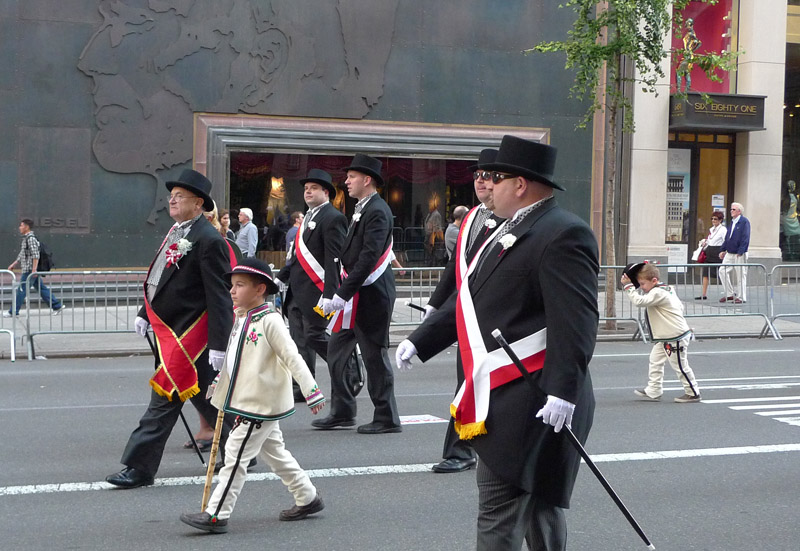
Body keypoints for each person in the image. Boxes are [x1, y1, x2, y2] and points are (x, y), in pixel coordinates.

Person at [396, 135, 598, 550]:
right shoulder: (506, 229)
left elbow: (575, 323)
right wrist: (421, 340)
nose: (487, 186)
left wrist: (563, 392)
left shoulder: (563, 233)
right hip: (507, 393)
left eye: (496, 178)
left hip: (533, 397)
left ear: (520, 185)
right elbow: (470, 299)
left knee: (500, 509)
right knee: (538, 508)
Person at [106, 169, 234, 489]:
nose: (172, 201)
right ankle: (242, 450)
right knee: (209, 400)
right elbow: (160, 280)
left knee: (163, 400)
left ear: (199, 203)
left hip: (192, 339)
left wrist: (219, 344)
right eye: (171, 196)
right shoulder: (177, 231)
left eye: (180, 196)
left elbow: (219, 297)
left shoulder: (209, 239)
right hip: (169, 332)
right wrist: (144, 313)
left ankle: (139, 468)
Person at [180, 257, 326, 534]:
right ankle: (308, 497)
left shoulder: (271, 321)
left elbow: (292, 356)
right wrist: (219, 387)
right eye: (232, 286)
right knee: (276, 454)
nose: (232, 291)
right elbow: (235, 362)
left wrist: (311, 391)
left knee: (234, 456)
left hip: (260, 404)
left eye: (240, 285)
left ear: (260, 289)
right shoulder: (242, 317)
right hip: (252, 400)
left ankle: (216, 514)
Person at [412, 149, 502, 475]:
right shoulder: (472, 217)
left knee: (478, 383)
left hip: (493, 320)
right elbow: (455, 267)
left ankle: (467, 449)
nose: (481, 181)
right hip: (465, 315)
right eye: (478, 175)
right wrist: (435, 304)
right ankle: (463, 449)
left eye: (489, 176)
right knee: (468, 381)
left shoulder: (510, 218)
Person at [315, 154, 402, 434]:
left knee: (374, 356)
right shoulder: (361, 208)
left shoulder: (377, 210)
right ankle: (342, 410)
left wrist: (342, 293)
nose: (347, 181)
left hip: (371, 295)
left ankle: (386, 417)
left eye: (352, 177)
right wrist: (338, 292)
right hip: (353, 295)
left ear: (367, 180)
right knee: (336, 351)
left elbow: (368, 257)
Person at [275, 169, 349, 401]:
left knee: (315, 335)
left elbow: (333, 259)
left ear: (326, 192)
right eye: (306, 188)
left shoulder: (333, 217)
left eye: (313, 188)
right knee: (299, 343)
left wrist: (330, 293)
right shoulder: (308, 217)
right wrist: (280, 277)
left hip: (317, 292)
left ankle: (348, 366)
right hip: (297, 291)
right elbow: (296, 255)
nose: (307, 192)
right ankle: (303, 388)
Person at [622, 262, 702, 404]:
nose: (641, 287)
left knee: (680, 365)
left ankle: (693, 392)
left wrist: (628, 286)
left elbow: (640, 301)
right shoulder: (666, 288)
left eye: (642, 283)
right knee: (655, 360)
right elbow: (679, 306)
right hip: (668, 335)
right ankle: (654, 390)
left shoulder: (658, 292)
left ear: (654, 281)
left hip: (674, 336)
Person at [5, 219, 66, 317]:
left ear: (26, 227)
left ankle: (13, 311)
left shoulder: (31, 239)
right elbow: (22, 254)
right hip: (29, 269)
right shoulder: (26, 239)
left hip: (30, 270)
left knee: (21, 290)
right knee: (41, 289)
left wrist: (34, 270)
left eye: (21, 225)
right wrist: (14, 263)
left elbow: (35, 255)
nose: (19, 228)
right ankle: (56, 305)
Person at [719, 202, 750, 304]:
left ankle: (741, 297)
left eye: (733, 209)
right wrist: (723, 249)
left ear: (739, 211)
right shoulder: (732, 222)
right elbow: (728, 237)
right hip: (730, 252)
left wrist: (741, 251)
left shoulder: (744, 222)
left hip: (739, 253)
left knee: (741, 275)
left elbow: (745, 237)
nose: (731, 211)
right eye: (731, 209)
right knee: (722, 271)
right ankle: (729, 294)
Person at [695, 211, 725, 300]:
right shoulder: (711, 229)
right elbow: (710, 240)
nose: (713, 220)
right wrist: (705, 243)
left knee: (722, 273)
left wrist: (724, 251)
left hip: (717, 251)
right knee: (705, 273)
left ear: (720, 220)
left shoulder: (723, 229)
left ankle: (729, 292)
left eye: (715, 219)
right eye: (712, 219)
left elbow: (725, 240)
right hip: (710, 251)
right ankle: (703, 294)